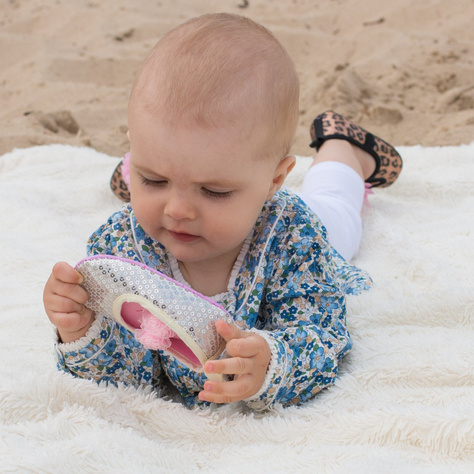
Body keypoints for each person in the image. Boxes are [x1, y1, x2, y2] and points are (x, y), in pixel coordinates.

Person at [43, 13, 402, 410]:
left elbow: (322, 338)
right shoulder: (120, 246)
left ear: (274, 180)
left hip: (299, 224)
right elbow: (126, 379)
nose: (178, 210)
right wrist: (81, 331)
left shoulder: (295, 237)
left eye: (214, 191)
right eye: (153, 179)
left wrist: (270, 364)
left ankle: (342, 147)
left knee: (338, 214)